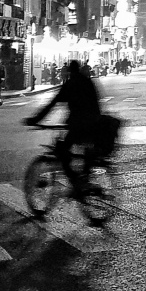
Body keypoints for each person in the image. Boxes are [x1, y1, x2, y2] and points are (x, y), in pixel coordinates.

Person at [25, 59, 103, 198]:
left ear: (69, 71)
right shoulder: (88, 81)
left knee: (62, 151)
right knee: (81, 151)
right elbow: (97, 103)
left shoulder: (70, 85)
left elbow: (51, 105)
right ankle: (82, 179)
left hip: (79, 125)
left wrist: (35, 120)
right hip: (95, 124)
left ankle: (77, 182)